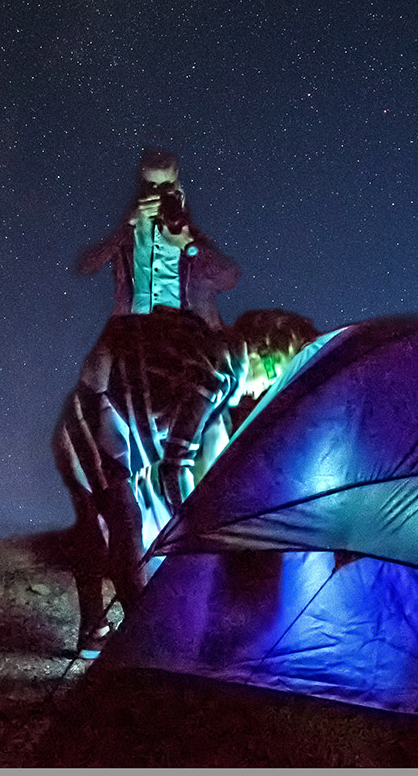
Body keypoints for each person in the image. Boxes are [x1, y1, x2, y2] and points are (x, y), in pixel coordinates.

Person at [51, 306, 231, 659]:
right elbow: (174, 464)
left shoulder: (176, 355)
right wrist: (186, 522)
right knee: (121, 520)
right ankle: (140, 637)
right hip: (91, 424)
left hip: (92, 423)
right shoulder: (203, 374)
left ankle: (97, 631)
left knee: (100, 522)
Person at [164, 308, 322, 508]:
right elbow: (175, 466)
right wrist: (188, 522)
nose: (260, 393)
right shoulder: (213, 378)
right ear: (256, 351)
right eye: (272, 374)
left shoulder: (218, 410)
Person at [74, 148, 240, 330]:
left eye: (166, 186)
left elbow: (229, 278)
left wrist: (188, 244)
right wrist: (127, 226)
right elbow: (85, 265)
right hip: (136, 339)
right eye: (152, 186)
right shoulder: (127, 223)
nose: (159, 193)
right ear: (141, 182)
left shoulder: (200, 217)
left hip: (189, 339)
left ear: (177, 178)